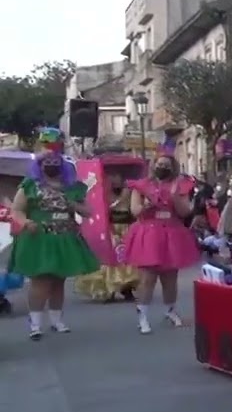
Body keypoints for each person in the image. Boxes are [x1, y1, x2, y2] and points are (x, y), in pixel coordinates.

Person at [8, 129, 100, 338]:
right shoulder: (30, 185)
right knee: (40, 280)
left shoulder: (72, 187)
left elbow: (88, 211)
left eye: (55, 162)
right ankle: (35, 323)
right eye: (46, 162)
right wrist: (26, 222)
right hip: (39, 237)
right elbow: (17, 209)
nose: (51, 164)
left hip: (65, 236)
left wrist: (74, 204)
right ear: (39, 165)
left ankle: (57, 320)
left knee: (59, 280)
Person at [119, 153, 199, 334]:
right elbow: (135, 211)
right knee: (148, 278)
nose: (162, 167)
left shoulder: (180, 185)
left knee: (170, 278)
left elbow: (185, 212)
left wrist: (175, 196)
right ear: (153, 166)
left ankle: (170, 311)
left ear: (173, 168)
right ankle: (142, 316)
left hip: (172, 231)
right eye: (159, 164)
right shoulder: (141, 186)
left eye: (166, 165)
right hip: (149, 233)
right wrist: (146, 206)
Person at [74, 171, 142, 302]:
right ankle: (107, 289)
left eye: (117, 176)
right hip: (106, 229)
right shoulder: (101, 195)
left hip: (125, 229)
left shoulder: (129, 193)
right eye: (111, 177)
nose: (114, 180)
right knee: (107, 258)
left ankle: (126, 287)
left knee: (125, 258)